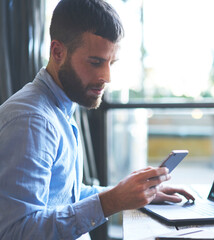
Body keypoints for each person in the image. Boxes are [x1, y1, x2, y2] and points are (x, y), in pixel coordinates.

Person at [0, 0, 194, 239]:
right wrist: (110, 202)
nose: (107, 77)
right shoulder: (32, 121)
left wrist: (130, 193)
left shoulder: (58, 108)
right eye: (95, 62)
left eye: (111, 63)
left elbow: (65, 196)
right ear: (58, 52)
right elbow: (15, 232)